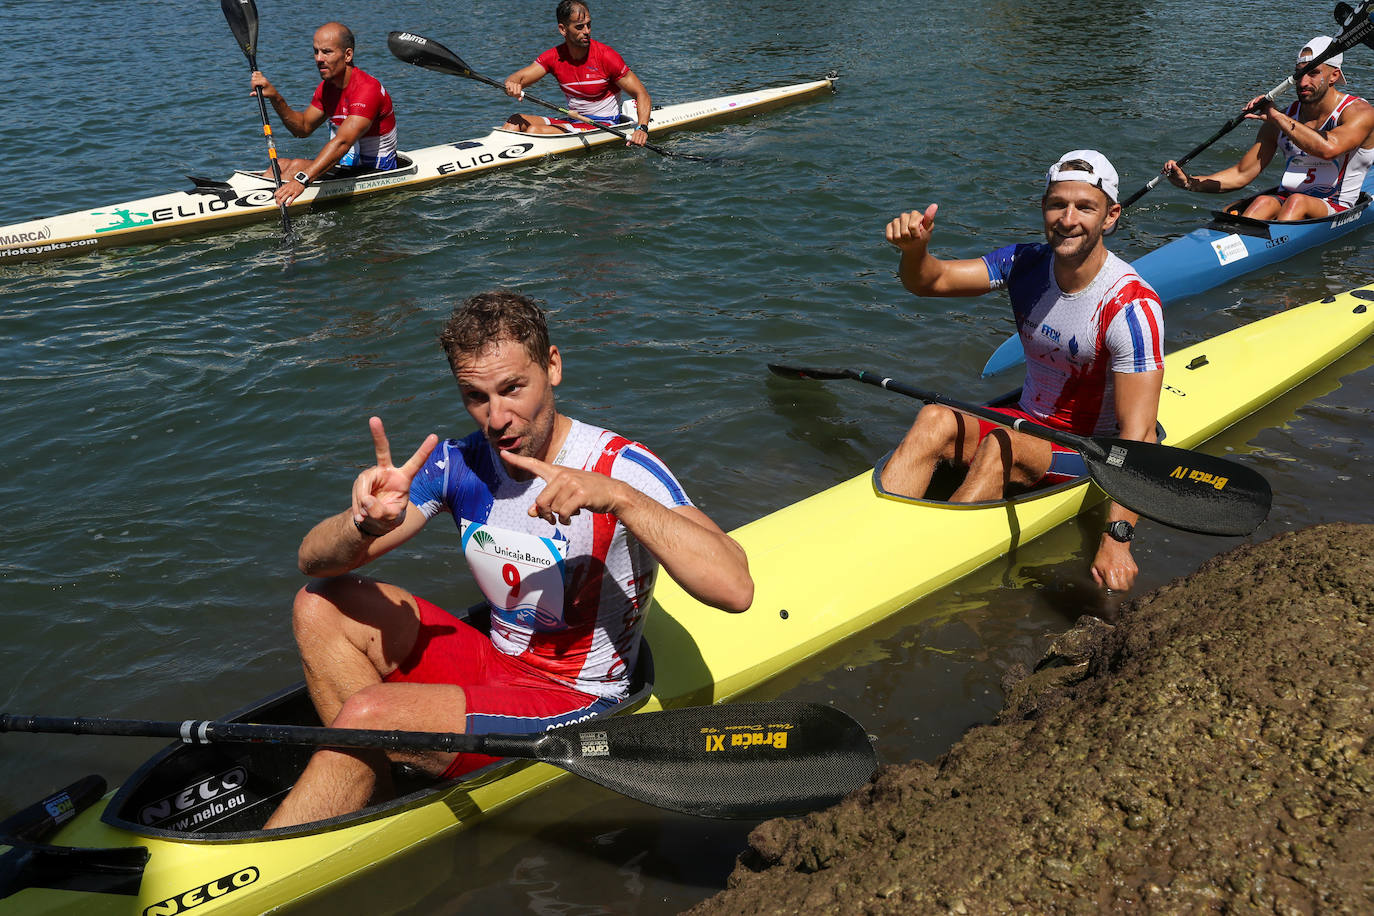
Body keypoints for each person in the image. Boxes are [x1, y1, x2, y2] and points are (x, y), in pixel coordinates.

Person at [264, 291, 752, 828]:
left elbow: (735, 588)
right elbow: (314, 562)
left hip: (579, 700)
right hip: (499, 663)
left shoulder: (622, 465)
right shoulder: (458, 463)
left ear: (553, 367)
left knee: (367, 714)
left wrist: (618, 498)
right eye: (475, 397)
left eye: (513, 389)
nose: (497, 418)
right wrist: (363, 522)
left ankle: (343, 782)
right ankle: (372, 777)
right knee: (317, 605)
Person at [881, 151, 1165, 592]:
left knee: (999, 446)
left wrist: (1118, 539)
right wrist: (916, 250)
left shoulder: (1130, 307)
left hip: (1088, 449)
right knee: (933, 416)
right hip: (1027, 421)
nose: (1067, 219)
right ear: (1044, 208)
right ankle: (879, 532)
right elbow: (929, 282)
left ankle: (925, 566)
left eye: (1084, 208)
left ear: (1110, 217)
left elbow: (1140, 439)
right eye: (1057, 205)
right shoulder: (1024, 263)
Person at [1163, 36, 1374, 221]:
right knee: (1263, 202)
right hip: (1288, 201)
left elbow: (1329, 149)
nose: (1302, 82)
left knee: (1298, 202)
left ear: (1334, 76)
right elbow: (1241, 174)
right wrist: (1190, 183)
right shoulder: (1282, 117)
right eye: (1299, 74)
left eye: (1313, 73)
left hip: (1335, 205)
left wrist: (1275, 116)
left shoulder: (1359, 112)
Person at [249, 22, 399, 207]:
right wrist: (275, 97)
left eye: (326, 52)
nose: (319, 58)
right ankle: (250, 198)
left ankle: (261, 205)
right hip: (346, 168)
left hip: (375, 171)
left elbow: (342, 143)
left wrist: (301, 180)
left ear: (347, 55)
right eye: (316, 51)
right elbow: (302, 129)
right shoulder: (327, 89)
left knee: (295, 166)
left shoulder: (367, 90)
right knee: (280, 164)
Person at [501, 1, 652, 147]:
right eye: (579, 27)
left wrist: (642, 128)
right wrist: (512, 85)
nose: (587, 31)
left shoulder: (606, 57)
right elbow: (517, 78)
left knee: (534, 130)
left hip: (605, 125)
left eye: (589, 25)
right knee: (514, 121)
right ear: (563, 29)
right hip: (574, 121)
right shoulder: (554, 57)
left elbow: (641, 94)